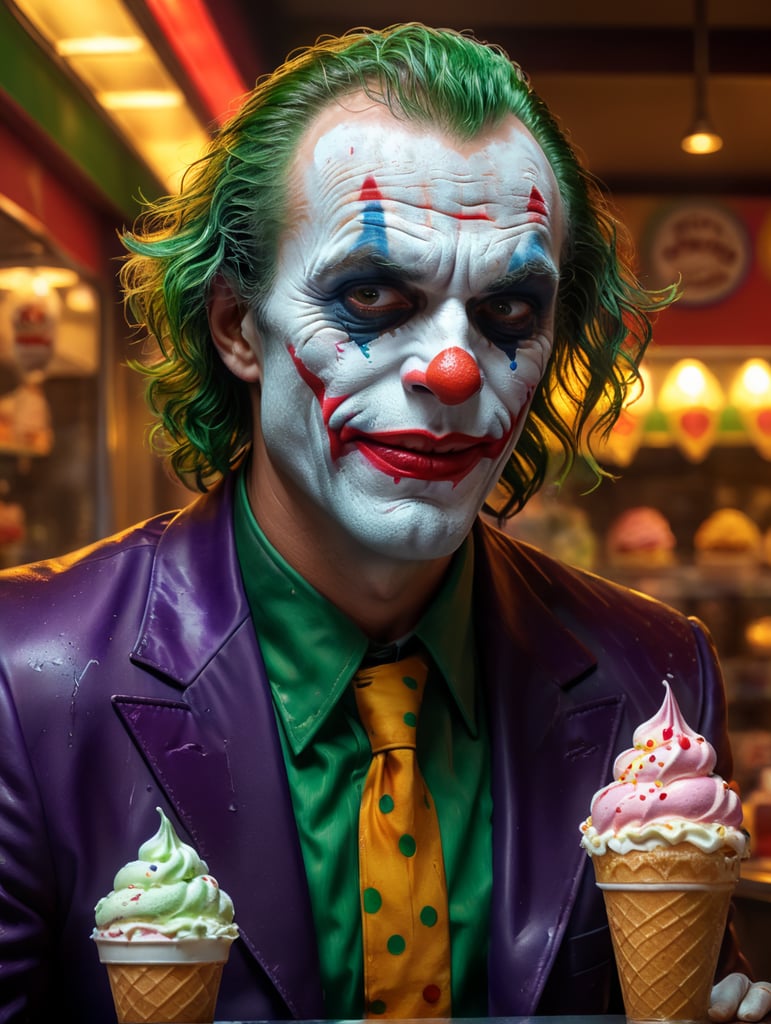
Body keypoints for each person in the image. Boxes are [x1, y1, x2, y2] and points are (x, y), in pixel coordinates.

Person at [0, 22, 768, 1023]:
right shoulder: (22, 679)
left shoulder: (654, 677)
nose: (452, 370)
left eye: (508, 310)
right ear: (236, 325)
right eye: (371, 295)